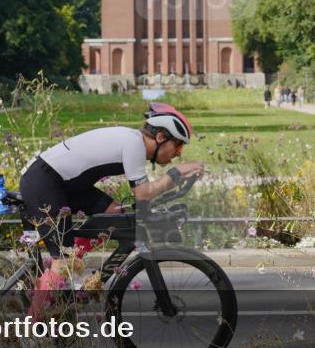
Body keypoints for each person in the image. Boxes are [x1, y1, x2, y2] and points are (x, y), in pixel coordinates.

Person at [20, 102, 204, 318]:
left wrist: (174, 178)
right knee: (64, 262)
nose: (179, 154)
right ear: (161, 137)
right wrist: (175, 174)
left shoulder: (133, 142)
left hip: (64, 184)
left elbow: (141, 198)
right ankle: (31, 329)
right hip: (44, 182)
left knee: (114, 212)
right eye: (179, 145)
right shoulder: (134, 144)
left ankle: (65, 272)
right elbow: (143, 194)